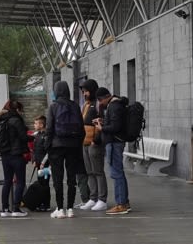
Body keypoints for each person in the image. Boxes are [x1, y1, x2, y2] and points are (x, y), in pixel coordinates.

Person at [44, 80, 86, 218]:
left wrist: (47, 145)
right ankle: (70, 208)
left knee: (58, 177)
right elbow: (81, 127)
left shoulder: (53, 107)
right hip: (73, 146)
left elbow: (49, 128)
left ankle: (60, 208)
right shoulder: (75, 106)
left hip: (57, 146)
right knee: (71, 178)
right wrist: (78, 143)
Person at [0, 100, 30, 218]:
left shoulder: (0, 120)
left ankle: (5, 209)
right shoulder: (16, 120)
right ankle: (16, 208)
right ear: (17, 109)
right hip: (16, 154)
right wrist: (34, 136)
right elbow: (23, 137)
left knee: (7, 181)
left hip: (4, 154)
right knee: (20, 181)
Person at [96, 88, 130, 214]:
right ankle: (124, 202)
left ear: (105, 97)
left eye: (100, 100)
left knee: (116, 173)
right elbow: (115, 123)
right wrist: (103, 122)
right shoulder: (116, 104)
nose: (100, 103)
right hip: (116, 141)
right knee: (118, 172)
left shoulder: (114, 106)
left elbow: (115, 127)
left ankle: (121, 204)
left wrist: (102, 127)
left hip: (114, 142)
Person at [78, 79, 108, 212]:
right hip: (84, 142)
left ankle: (102, 199)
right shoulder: (86, 105)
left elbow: (103, 123)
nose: (84, 94)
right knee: (89, 172)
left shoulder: (98, 104)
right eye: (83, 91)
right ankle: (93, 197)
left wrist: (96, 139)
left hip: (94, 143)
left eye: (86, 91)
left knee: (98, 172)